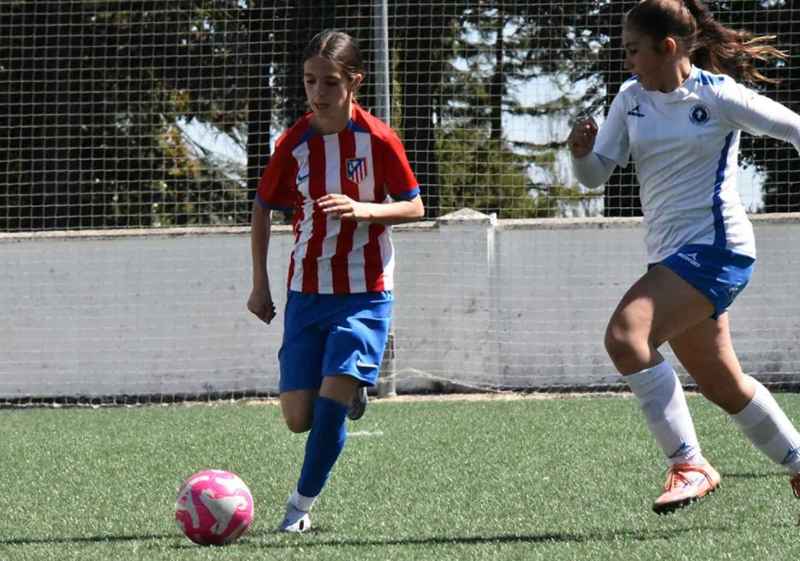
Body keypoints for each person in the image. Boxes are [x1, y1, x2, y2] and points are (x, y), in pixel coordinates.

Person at [568, 0, 800, 515]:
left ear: (667, 47)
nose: (627, 62)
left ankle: (689, 463)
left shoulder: (717, 96)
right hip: (672, 258)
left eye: (633, 51)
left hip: (718, 250)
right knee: (722, 384)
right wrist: (581, 154)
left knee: (626, 336)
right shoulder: (630, 98)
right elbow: (596, 174)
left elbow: (794, 127)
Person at [247, 29, 424, 533]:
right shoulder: (294, 141)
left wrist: (363, 209)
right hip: (305, 289)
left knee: (326, 412)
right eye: (309, 81)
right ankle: (350, 394)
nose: (317, 93)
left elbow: (414, 204)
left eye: (329, 82)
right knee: (297, 417)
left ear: (354, 83)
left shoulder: (379, 139)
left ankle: (297, 511)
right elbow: (262, 208)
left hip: (365, 293)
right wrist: (260, 284)